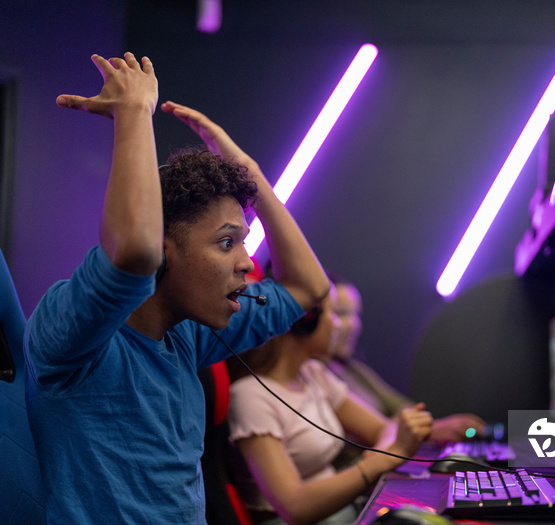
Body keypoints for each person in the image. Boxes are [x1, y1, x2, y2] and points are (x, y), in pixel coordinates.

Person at [23, 52, 329, 524]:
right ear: (165, 252)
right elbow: (133, 254)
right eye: (226, 242)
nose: (247, 263)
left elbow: (309, 287)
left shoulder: (186, 336)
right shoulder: (74, 336)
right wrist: (134, 112)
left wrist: (245, 168)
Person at [226, 288, 434, 525]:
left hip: (344, 514)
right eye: (334, 314)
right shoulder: (250, 396)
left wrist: (388, 450)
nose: (340, 325)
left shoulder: (312, 373)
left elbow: (383, 429)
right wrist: (382, 461)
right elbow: (295, 507)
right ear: (304, 320)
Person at [327, 273, 487, 444]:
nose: (354, 324)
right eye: (340, 313)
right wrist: (431, 430)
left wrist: (439, 426)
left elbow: (403, 408)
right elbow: (378, 432)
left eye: (356, 314)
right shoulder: (318, 378)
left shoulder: (353, 370)